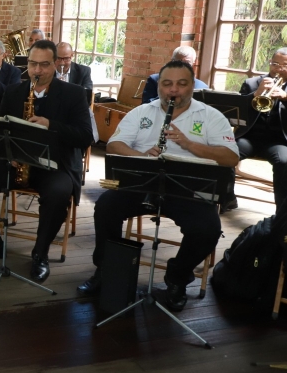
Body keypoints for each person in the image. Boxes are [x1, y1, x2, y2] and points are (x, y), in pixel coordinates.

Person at [78, 60, 239, 311]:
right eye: (167, 84)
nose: (173, 90)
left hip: (189, 191)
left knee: (208, 229)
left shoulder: (211, 116)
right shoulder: (142, 112)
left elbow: (231, 157)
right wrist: (142, 158)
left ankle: (177, 277)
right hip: (143, 184)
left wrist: (189, 145)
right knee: (106, 207)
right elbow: (114, 145)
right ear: (159, 87)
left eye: (181, 84)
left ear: (192, 86)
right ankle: (106, 269)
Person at [0, 40, 93, 282]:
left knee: (58, 193)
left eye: (44, 65)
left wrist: (51, 125)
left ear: (56, 64)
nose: (37, 71)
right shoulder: (14, 91)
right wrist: (7, 151)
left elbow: (85, 137)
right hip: (18, 162)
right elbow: (0, 130)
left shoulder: (73, 94)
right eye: (32, 64)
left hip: (56, 166)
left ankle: (40, 254)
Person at [234, 47, 287, 205]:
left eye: (284, 65)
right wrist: (256, 94)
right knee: (226, 153)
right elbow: (237, 111)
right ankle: (227, 198)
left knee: (284, 162)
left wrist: (285, 97)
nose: (278, 69)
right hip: (249, 138)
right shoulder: (252, 83)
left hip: (278, 141)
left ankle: (282, 213)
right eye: (275, 64)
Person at [142, 46, 209, 103]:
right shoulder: (154, 79)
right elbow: (145, 105)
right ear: (172, 61)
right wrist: (166, 96)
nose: (182, 66)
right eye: (178, 62)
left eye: (187, 63)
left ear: (193, 63)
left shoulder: (202, 87)